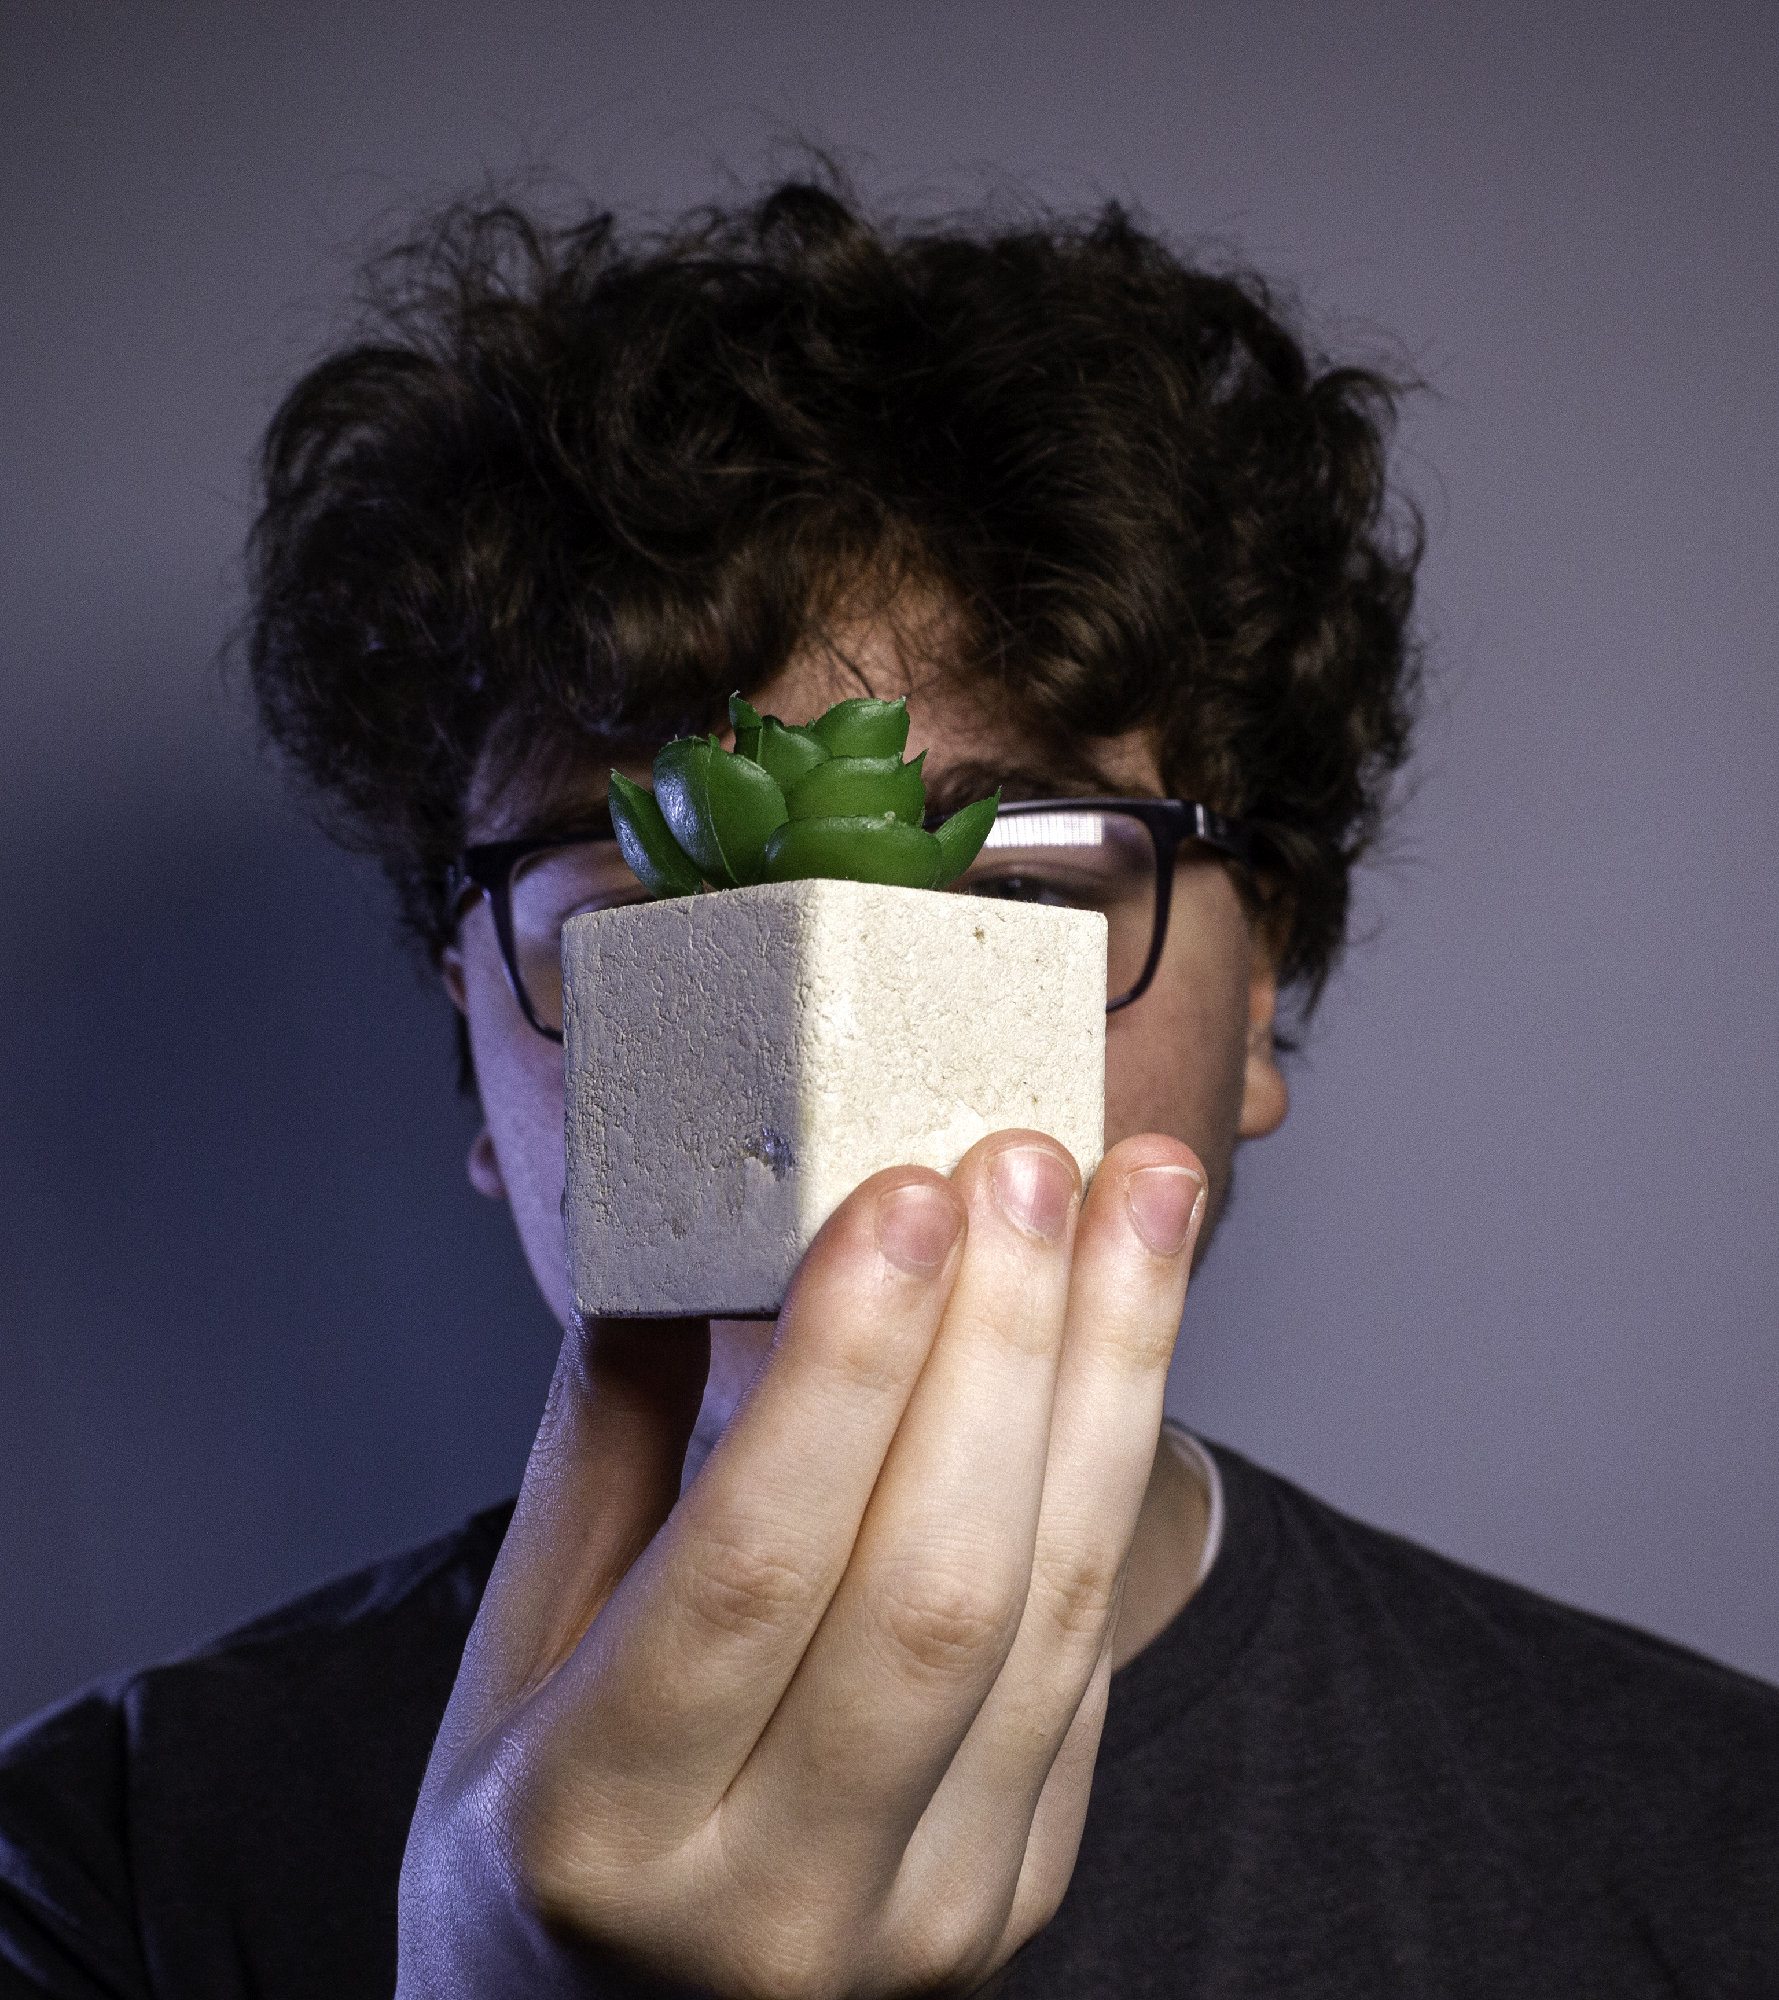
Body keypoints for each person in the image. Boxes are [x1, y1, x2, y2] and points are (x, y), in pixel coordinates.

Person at [1, 175, 1774, 2000]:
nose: (832, 1080)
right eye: (663, 920)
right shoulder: (85, 1871)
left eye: (1012, 892)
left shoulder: (1721, 1858)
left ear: (1259, 1002)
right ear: (481, 1039)